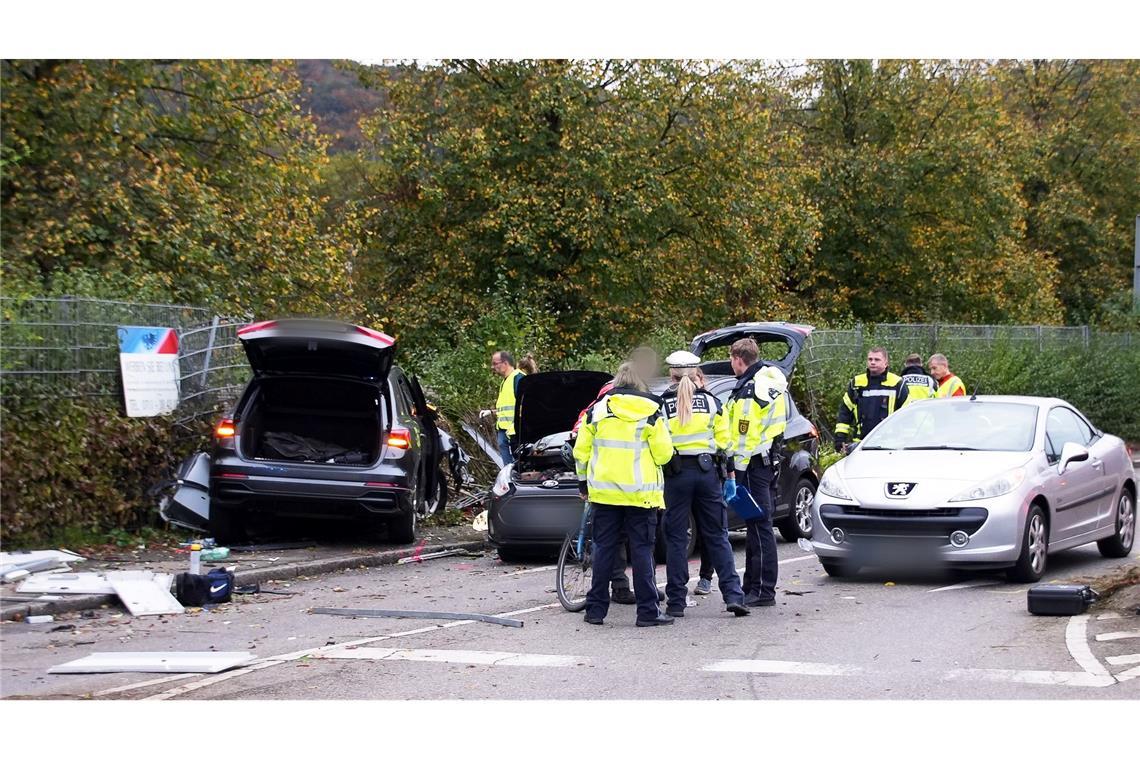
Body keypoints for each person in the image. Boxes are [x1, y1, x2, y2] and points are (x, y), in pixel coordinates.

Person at [574, 362, 674, 627]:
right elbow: (664, 453)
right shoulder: (652, 411)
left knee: (604, 550)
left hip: (605, 494)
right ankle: (647, 613)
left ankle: (595, 611)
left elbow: (580, 452)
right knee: (642, 553)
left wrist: (583, 483)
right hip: (640, 495)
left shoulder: (596, 411)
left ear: (616, 382)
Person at [660, 351, 748, 618]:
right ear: (696, 373)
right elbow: (726, 443)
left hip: (675, 475)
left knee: (676, 539)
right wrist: (730, 476)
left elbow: (659, 445)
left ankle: (676, 601)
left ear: (672, 375)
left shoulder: (662, 404)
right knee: (717, 535)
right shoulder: (712, 402)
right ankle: (734, 595)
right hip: (708, 473)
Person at [725, 338, 789, 607]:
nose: (731, 364)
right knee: (755, 526)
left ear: (738, 358)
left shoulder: (751, 391)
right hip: (765, 461)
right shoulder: (769, 381)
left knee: (760, 526)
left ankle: (763, 590)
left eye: (731, 359)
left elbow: (743, 437)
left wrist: (734, 474)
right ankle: (753, 585)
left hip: (751, 464)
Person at [833, 347, 908, 452]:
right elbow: (845, 412)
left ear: (886, 363)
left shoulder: (897, 383)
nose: (872, 362)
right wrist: (840, 438)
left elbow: (906, 415)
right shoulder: (857, 383)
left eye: (877, 360)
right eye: (870, 359)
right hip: (861, 443)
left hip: (890, 444)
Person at [485, 350, 526, 464]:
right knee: (507, 460)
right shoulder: (505, 381)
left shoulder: (518, 378)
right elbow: (507, 406)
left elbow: (526, 404)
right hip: (504, 429)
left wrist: (517, 425)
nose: (493, 367)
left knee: (519, 462)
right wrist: (491, 412)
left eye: (495, 363)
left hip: (515, 431)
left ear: (505, 363)